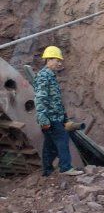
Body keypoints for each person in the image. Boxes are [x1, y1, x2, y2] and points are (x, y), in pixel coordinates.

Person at [34, 46, 83, 177]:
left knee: (50, 145)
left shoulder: (50, 76)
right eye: (57, 60)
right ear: (49, 59)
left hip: (55, 117)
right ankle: (65, 167)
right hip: (50, 118)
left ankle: (47, 170)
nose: (60, 63)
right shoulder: (44, 76)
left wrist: (65, 117)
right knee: (62, 139)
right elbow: (40, 98)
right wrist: (43, 118)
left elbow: (56, 100)